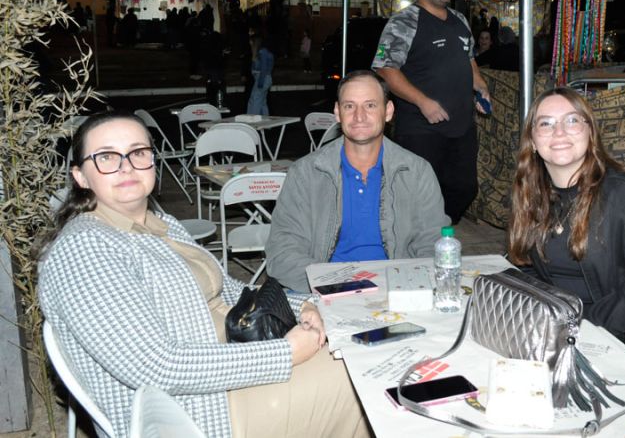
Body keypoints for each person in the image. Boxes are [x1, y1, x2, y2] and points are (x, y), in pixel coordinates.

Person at [36, 111, 369, 438]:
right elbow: (156, 367)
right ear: (80, 176)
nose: (127, 166)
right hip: (196, 412)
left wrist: (302, 306)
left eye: (138, 152)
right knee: (364, 375)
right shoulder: (84, 249)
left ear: (152, 162)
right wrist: (286, 353)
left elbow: (231, 290)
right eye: (107, 157)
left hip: (233, 370)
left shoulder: (162, 225)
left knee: (363, 350)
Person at [507, 88, 625, 376]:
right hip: (561, 338)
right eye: (546, 123)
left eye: (572, 120)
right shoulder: (530, 193)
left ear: (590, 132)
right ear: (533, 141)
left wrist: (578, 327)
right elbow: (529, 270)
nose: (559, 132)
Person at [265, 70, 450, 292]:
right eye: (349, 106)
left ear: (388, 111)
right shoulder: (306, 173)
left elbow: (433, 244)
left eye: (370, 105)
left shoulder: (416, 171)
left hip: (397, 288)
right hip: (325, 288)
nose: (359, 116)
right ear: (337, 112)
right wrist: (336, 286)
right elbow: (282, 252)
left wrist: (407, 286)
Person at [373, 0, 491, 224]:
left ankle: (439, 231)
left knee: (465, 188)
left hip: (462, 127)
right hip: (421, 129)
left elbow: (469, 59)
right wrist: (423, 102)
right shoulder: (404, 22)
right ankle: (422, 239)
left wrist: (480, 86)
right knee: (420, 194)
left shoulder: (460, 20)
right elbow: (385, 69)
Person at [246, 34, 274, 115]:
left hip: (263, 78)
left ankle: (252, 118)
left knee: (255, 99)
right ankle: (264, 119)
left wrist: (260, 82)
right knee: (262, 101)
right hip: (263, 78)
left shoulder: (263, 51)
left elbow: (264, 68)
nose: (250, 43)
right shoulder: (259, 52)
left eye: (251, 41)